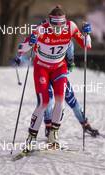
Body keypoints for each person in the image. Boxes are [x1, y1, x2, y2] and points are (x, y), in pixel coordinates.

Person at [15, 5, 92, 151]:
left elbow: (86, 45)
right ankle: (31, 137)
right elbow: (21, 48)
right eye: (54, 26)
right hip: (42, 68)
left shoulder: (70, 27)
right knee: (44, 103)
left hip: (59, 68)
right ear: (49, 22)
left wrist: (87, 34)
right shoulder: (41, 30)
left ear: (65, 22)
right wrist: (29, 44)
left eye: (60, 26)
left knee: (60, 100)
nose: (58, 29)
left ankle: (53, 135)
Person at [44, 41, 99, 137]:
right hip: (46, 75)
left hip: (59, 76)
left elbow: (71, 61)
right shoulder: (44, 37)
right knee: (49, 101)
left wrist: (70, 62)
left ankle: (85, 124)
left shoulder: (66, 40)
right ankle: (49, 128)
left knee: (72, 100)